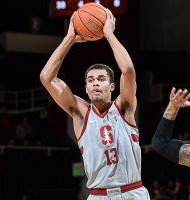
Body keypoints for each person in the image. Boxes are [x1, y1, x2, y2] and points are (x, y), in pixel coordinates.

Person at [40, 9, 150, 200]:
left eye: (101, 79)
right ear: (86, 88)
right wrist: (69, 39)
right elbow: (46, 78)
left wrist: (108, 33)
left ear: (112, 86)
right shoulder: (80, 113)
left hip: (132, 192)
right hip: (99, 195)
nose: (95, 83)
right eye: (90, 80)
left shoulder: (124, 107)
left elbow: (128, 70)